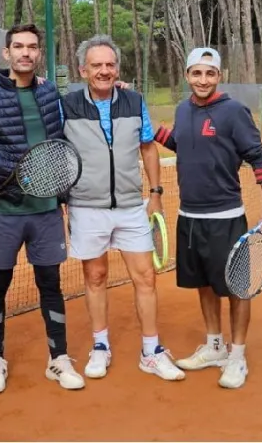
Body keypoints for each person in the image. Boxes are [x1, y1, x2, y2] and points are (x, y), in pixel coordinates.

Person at [152, 48, 262, 389]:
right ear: (187, 75)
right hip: (189, 217)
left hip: (225, 217)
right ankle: (214, 346)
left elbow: (257, 156)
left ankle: (236, 356)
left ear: (219, 76)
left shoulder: (234, 112)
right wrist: (153, 130)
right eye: (197, 73)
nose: (203, 80)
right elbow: (184, 144)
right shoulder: (182, 110)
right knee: (205, 285)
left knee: (238, 289)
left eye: (209, 74)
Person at [61, 35, 185, 382]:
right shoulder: (66, 105)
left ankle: (151, 351)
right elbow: (57, 153)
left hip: (132, 205)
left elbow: (148, 148)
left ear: (118, 68)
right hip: (86, 206)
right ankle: (100, 347)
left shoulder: (134, 100)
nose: (104, 71)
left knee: (145, 277)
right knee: (95, 277)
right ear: (83, 70)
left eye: (110, 65)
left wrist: (156, 192)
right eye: (97, 65)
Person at [0, 23, 85, 393]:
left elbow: (78, 115)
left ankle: (59, 358)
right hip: (4, 210)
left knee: (50, 283)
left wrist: (119, 88)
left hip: (47, 209)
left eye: (32, 47)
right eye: (18, 46)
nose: (25, 52)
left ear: (39, 54)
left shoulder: (51, 92)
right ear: (6, 53)